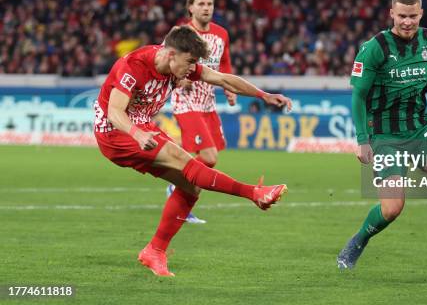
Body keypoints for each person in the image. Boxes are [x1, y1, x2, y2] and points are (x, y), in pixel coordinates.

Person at [93, 25, 291, 277]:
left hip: (141, 127)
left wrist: (262, 95)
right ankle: (254, 193)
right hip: (114, 132)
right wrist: (137, 134)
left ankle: (155, 251)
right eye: (189, 62)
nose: (191, 69)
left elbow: (221, 78)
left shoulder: (179, 63)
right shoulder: (133, 66)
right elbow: (114, 112)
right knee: (182, 158)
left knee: (191, 186)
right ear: (170, 53)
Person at [337, 0, 427, 275]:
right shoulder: (374, 48)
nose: (407, 21)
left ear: (421, 13)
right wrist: (363, 140)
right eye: (402, 16)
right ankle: (358, 240)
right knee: (392, 208)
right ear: (391, 14)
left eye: (413, 16)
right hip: (384, 135)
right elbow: (358, 96)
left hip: (419, 127)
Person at [166, 0, 236, 224]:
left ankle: (182, 199)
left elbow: (224, 63)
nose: (207, 8)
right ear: (191, 7)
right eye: (202, 4)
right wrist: (178, 76)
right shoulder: (181, 33)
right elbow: (164, 61)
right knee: (209, 156)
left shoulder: (221, 34)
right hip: (186, 102)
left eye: (210, 4)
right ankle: (177, 183)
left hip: (208, 104)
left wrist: (229, 87)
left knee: (206, 155)